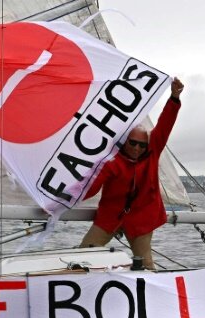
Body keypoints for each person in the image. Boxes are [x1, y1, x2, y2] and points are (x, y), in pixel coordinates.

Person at [79, 77, 185, 270]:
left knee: (145, 263)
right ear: (125, 142)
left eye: (142, 145)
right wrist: (58, 204)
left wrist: (174, 98)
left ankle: (154, 295)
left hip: (142, 218)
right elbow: (90, 188)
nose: (137, 148)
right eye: (133, 143)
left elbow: (165, 125)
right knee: (83, 256)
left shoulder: (153, 150)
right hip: (110, 216)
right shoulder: (112, 162)